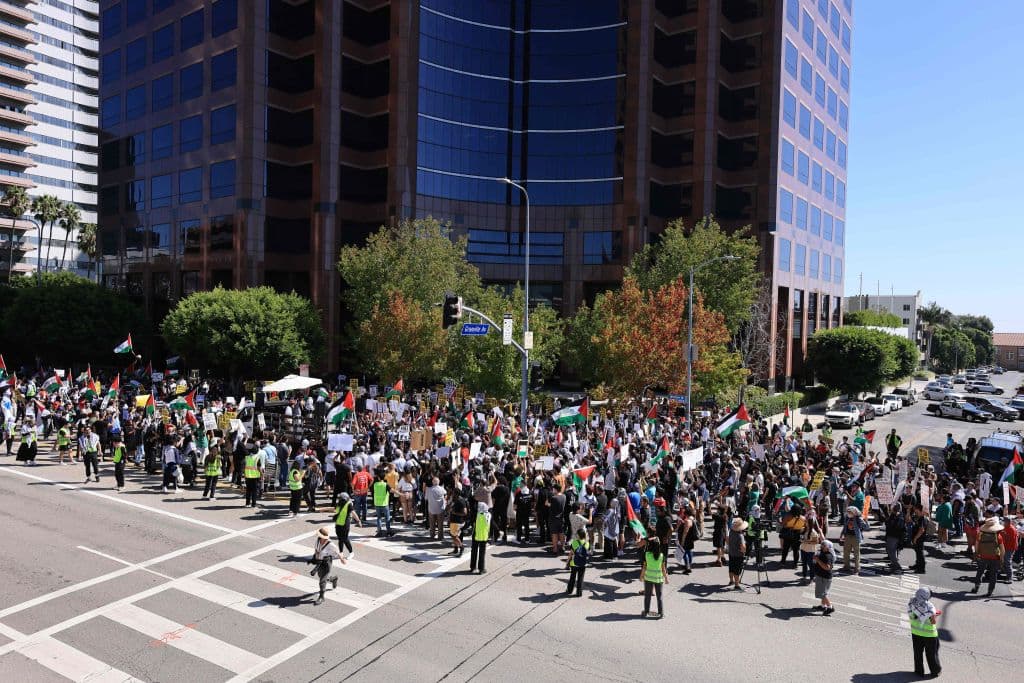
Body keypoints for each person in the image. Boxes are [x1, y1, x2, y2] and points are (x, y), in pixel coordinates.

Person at [907, 587, 942, 677]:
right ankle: (935, 671)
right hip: (929, 634)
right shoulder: (929, 606)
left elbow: (913, 615)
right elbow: (932, 621)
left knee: (917, 653)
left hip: (916, 632)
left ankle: (918, 671)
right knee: (932, 654)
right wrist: (935, 614)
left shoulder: (912, 602)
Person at [309, 527, 345, 606]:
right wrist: (315, 557)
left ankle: (321, 597)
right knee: (321, 576)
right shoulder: (318, 540)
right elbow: (316, 549)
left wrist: (342, 559)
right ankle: (333, 579)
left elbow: (337, 551)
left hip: (326, 562)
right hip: (319, 561)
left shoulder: (330, 544)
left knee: (322, 581)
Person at [971, 517, 1005, 596]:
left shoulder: (980, 534)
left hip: (983, 556)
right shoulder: (998, 536)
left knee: (980, 572)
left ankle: (976, 587)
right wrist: (1001, 558)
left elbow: (976, 545)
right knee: (993, 574)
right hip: (995, 557)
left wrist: (976, 553)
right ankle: (990, 591)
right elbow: (1002, 549)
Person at [640, 536, 668, 617]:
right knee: (659, 597)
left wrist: (641, 577)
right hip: (659, 579)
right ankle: (661, 613)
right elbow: (663, 569)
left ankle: (646, 612)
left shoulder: (647, 555)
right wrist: (666, 578)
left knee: (647, 596)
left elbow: (644, 567)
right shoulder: (662, 556)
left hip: (648, 578)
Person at [839, 505, 867, 573]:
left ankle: (857, 568)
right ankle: (846, 566)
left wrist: (864, 520)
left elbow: (865, 526)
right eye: (848, 512)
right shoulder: (847, 518)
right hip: (848, 536)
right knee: (846, 552)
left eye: (850, 512)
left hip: (855, 537)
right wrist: (842, 534)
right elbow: (845, 526)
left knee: (856, 554)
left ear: (854, 512)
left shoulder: (858, 518)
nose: (848, 513)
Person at [333, 492, 361, 559]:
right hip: (338, 523)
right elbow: (336, 511)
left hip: (345, 524)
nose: (339, 499)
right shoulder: (339, 504)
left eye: (340, 498)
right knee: (340, 539)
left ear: (344, 499)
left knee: (345, 538)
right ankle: (341, 553)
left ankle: (351, 553)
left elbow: (353, 513)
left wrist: (358, 521)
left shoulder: (349, 504)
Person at [813, 539, 836, 616]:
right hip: (821, 576)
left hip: (824, 577)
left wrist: (818, 560)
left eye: (824, 545)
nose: (822, 546)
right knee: (822, 592)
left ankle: (830, 607)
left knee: (822, 594)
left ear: (828, 547)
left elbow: (827, 567)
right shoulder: (823, 552)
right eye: (822, 544)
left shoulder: (828, 556)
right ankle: (823, 606)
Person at [565, 528, 589, 597]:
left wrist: (567, 562)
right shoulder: (587, 543)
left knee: (572, 577)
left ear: (578, 535)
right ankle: (579, 593)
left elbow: (571, 554)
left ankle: (569, 590)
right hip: (583, 564)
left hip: (574, 563)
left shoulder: (574, 542)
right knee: (580, 579)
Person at [884, 503, 905, 573]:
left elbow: (897, 526)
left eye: (892, 507)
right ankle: (893, 564)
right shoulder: (893, 515)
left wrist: (891, 519)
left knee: (891, 551)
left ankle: (897, 566)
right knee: (890, 551)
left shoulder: (899, 516)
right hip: (891, 535)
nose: (891, 508)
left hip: (894, 536)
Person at [727, 517, 748, 590]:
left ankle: (731, 580)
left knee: (731, 567)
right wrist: (744, 551)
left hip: (731, 552)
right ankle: (736, 584)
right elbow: (743, 547)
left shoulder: (731, 532)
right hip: (738, 555)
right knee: (737, 570)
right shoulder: (740, 536)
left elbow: (727, 540)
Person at [470, 502, 491, 574]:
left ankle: (473, 567)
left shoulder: (476, 515)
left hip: (475, 535)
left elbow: (471, 521)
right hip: (484, 536)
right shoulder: (488, 515)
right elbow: (492, 524)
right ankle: (481, 569)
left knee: (474, 551)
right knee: (482, 553)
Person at [909, 504, 928, 573]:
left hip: (919, 539)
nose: (914, 511)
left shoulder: (922, 518)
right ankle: (917, 565)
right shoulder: (918, 517)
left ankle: (921, 569)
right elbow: (909, 520)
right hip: (917, 538)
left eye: (916, 510)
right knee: (918, 552)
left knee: (920, 553)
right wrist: (908, 511)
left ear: (919, 510)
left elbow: (921, 530)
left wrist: (915, 538)